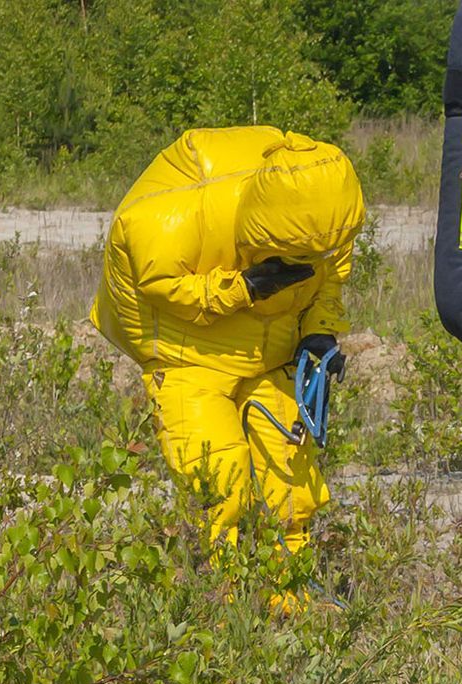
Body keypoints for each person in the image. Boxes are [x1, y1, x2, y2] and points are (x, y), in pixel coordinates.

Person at [92, 127, 364, 558]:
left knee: (291, 486)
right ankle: (221, 603)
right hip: (189, 359)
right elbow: (160, 286)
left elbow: (329, 277)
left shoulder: (323, 215)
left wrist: (318, 331)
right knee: (219, 486)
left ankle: (288, 596)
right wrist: (245, 288)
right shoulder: (163, 219)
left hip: (272, 356)